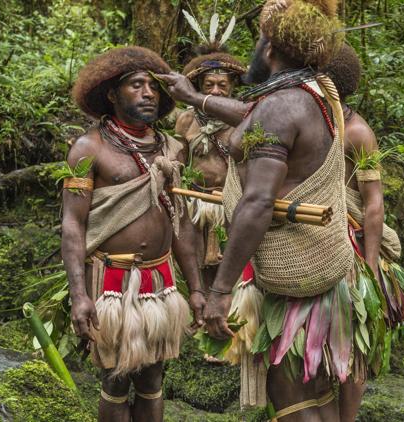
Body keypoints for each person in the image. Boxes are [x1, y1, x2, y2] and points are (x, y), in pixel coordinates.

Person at [158, 1, 380, 419]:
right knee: (316, 392)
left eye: (259, 40)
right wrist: (195, 98)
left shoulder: (281, 106)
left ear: (270, 50)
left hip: (293, 273)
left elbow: (258, 202)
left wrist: (221, 291)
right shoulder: (313, 94)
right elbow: (254, 114)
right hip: (322, 266)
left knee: (290, 394)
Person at [62, 46, 205, 422]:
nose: (147, 93)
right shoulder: (88, 149)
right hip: (110, 280)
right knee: (115, 375)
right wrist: (79, 295)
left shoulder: (171, 149)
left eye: (153, 88)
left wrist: (198, 288)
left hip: (161, 278)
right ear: (111, 94)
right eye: (136, 85)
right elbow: (73, 225)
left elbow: (182, 222)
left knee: (154, 373)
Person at [322, 43, 404, 421]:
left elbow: (373, 204)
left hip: (349, 245)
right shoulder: (308, 122)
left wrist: (367, 267)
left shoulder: (356, 132)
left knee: (351, 340)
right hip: (309, 243)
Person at [175, 43, 246, 290]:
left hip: (231, 205)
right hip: (195, 204)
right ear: (199, 88)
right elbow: (179, 163)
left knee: (232, 271)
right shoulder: (186, 120)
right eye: (208, 85)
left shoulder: (244, 121)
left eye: (222, 85)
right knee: (196, 268)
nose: (215, 91)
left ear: (233, 87)